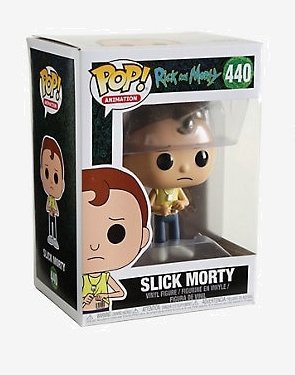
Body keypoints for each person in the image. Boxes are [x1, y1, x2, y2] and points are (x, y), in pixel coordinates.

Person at [122, 103, 215, 244]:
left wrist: (181, 203)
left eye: (200, 157)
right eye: (164, 160)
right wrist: (160, 208)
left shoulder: (177, 189)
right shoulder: (157, 191)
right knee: (160, 237)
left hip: (174, 215)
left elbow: (186, 201)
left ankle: (175, 247)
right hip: (161, 215)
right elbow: (148, 206)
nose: (184, 168)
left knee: (175, 235)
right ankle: (161, 249)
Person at [82, 166, 151, 313]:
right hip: (85, 310)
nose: (94, 246)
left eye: (116, 233)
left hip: (104, 308)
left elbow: (120, 292)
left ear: (143, 237)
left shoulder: (105, 277)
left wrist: (104, 295)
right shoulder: (83, 278)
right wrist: (83, 298)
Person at [40, 136, 65, 250]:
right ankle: (51, 236)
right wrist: (49, 209)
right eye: (46, 173)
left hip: (53, 213)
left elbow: (55, 207)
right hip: (51, 213)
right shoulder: (50, 198)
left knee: (53, 225)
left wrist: (55, 211)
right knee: (51, 225)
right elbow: (48, 205)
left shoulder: (53, 199)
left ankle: (54, 237)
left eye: (55, 178)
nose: (50, 181)